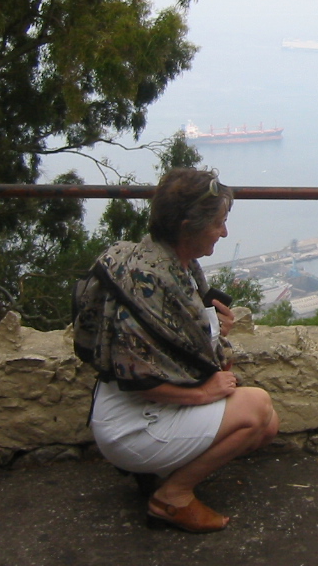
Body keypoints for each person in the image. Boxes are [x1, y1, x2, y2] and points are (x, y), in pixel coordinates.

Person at [89, 168, 279, 533]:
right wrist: (204, 394)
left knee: (267, 426)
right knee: (256, 407)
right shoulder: (149, 282)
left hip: (152, 411)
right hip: (132, 421)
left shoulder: (177, 267)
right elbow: (134, 374)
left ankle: (157, 475)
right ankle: (171, 498)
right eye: (219, 223)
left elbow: (179, 344)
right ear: (188, 225)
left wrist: (214, 329)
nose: (224, 233)